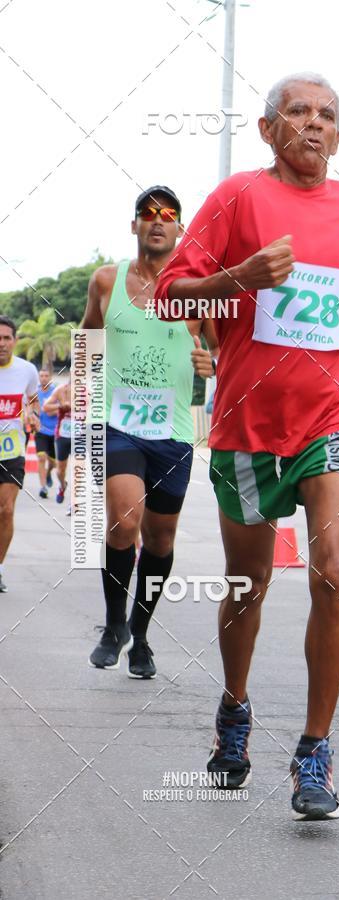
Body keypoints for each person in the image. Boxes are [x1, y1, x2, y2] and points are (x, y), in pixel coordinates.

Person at [155, 73, 339, 820]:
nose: (313, 124)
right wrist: (237, 277)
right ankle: (235, 707)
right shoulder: (238, 198)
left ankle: (315, 747)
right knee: (249, 582)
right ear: (269, 130)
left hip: (334, 417)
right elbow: (173, 292)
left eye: (327, 116)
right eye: (296, 112)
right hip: (246, 425)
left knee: (334, 572)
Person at [82, 186, 216, 679]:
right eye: (147, 213)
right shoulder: (106, 281)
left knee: (160, 540)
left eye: (168, 215)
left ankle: (141, 635)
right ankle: (113, 625)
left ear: (179, 228)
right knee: (124, 519)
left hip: (173, 432)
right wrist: (78, 393)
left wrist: (212, 362)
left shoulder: (199, 290)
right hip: (116, 425)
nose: (157, 221)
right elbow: (89, 337)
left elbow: (225, 352)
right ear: (134, 224)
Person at [0, 316, 40, 592]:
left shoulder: (27, 370)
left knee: (6, 510)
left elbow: (33, 399)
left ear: (14, 340)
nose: (1, 343)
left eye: (6, 338)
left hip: (11, 451)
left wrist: (33, 415)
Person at [43, 376, 71, 507]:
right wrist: (61, 406)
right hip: (63, 435)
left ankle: (75, 503)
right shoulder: (61, 390)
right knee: (60, 470)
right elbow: (46, 407)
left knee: (80, 467)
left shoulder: (90, 391)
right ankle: (62, 485)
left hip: (82, 435)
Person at [35, 368, 57, 499]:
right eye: (41, 376)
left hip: (55, 431)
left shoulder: (56, 391)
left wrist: (48, 409)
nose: (43, 378)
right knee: (41, 457)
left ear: (50, 377)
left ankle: (49, 473)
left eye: (46, 375)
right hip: (40, 430)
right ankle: (43, 488)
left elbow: (61, 409)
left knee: (53, 463)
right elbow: (28, 406)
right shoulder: (35, 392)